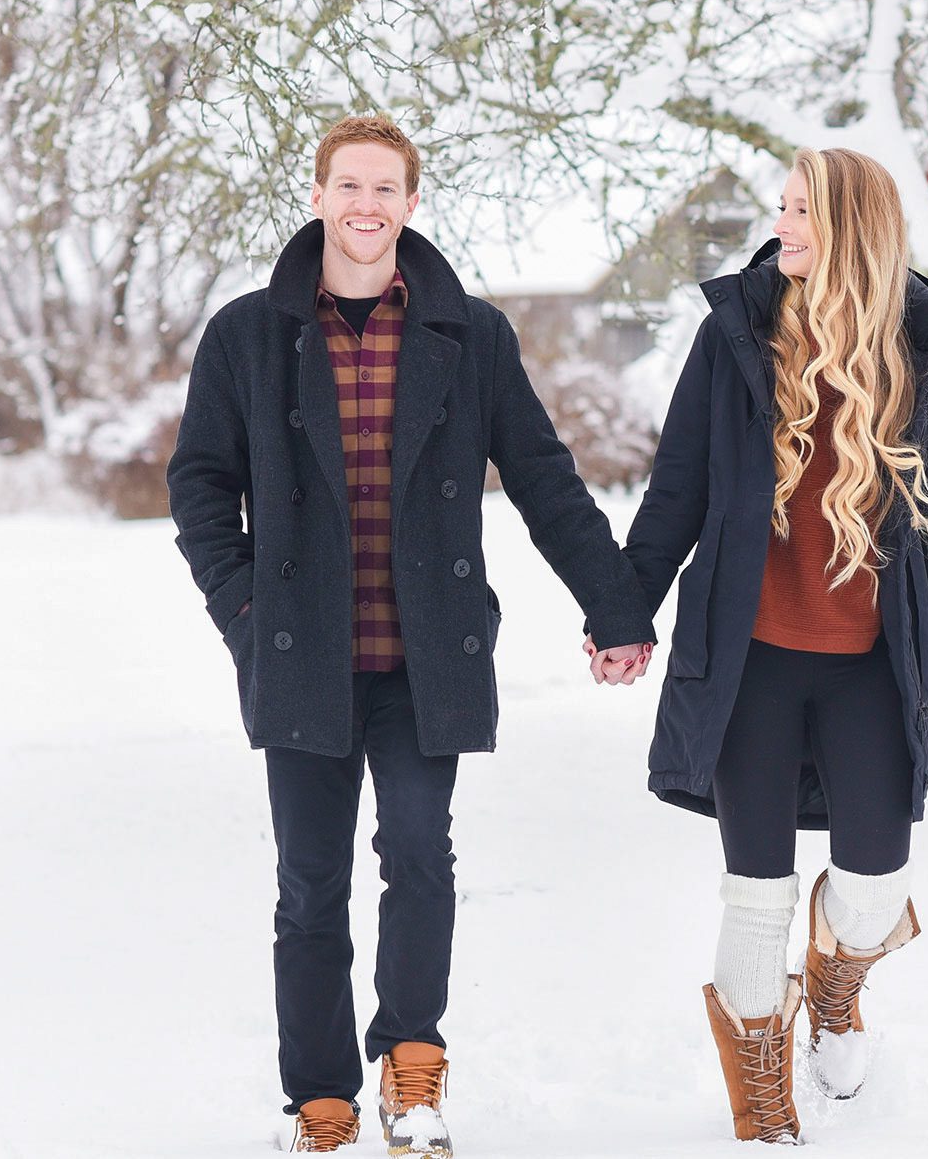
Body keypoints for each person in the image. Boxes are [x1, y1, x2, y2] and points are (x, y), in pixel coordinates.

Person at [168, 115, 654, 1155]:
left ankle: (412, 1068)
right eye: (349, 184)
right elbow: (199, 487)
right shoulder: (248, 335)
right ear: (317, 195)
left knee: (421, 857)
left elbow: (543, 478)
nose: (366, 204)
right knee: (310, 883)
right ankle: (320, 1100)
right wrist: (244, 612)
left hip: (424, 654)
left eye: (385, 187)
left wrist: (613, 607)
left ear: (410, 203)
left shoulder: (468, 334)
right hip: (300, 656)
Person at [608, 146, 928, 1145]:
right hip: (750, 664)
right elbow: (676, 493)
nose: (782, 225)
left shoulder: (920, 346)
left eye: (802, 211)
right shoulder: (734, 332)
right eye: (779, 207)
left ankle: (832, 976)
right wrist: (623, 612)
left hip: (874, 663)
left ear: (852, 227)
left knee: (875, 888)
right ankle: (762, 1098)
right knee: (755, 893)